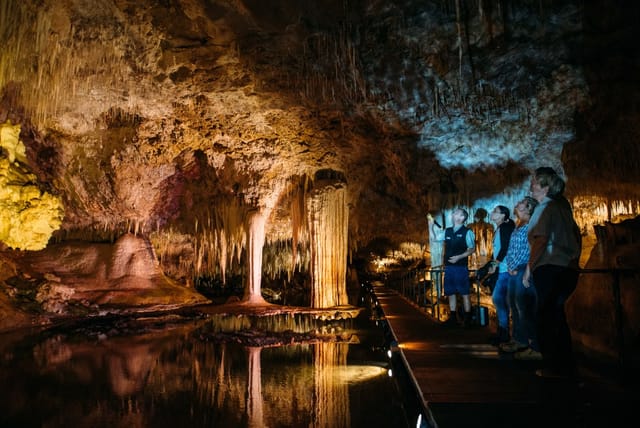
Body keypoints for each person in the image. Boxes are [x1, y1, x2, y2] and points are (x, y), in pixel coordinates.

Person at [524, 167, 582, 378]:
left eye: (534, 183)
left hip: (549, 267)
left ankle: (552, 366)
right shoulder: (563, 209)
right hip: (566, 268)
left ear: (545, 187)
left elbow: (541, 240)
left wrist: (529, 268)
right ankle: (567, 365)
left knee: (546, 318)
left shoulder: (544, 208)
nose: (530, 186)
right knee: (558, 317)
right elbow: (577, 235)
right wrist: (574, 260)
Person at [499, 197, 542, 360]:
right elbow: (512, 249)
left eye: (521, 203)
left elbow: (534, 248)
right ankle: (519, 339)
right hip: (514, 270)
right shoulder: (519, 224)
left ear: (528, 208)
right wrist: (510, 266)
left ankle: (534, 345)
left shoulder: (532, 224)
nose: (517, 204)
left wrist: (527, 272)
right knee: (515, 306)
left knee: (525, 308)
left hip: (524, 268)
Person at [434, 208, 476, 327]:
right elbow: (434, 239)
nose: (453, 214)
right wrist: (431, 226)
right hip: (449, 267)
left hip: (460, 267)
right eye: (454, 213)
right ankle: (453, 318)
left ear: (462, 218)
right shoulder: (447, 231)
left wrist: (459, 257)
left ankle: (467, 319)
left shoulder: (467, 232)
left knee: (464, 293)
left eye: (456, 213)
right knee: (450, 292)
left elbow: (472, 248)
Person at [488, 205, 515, 345]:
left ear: (503, 215)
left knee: (500, 300)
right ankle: (503, 332)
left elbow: (505, 247)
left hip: (506, 270)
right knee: (500, 301)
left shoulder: (505, 228)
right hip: (503, 270)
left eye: (495, 212)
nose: (492, 213)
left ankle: (507, 334)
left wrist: (495, 264)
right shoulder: (499, 229)